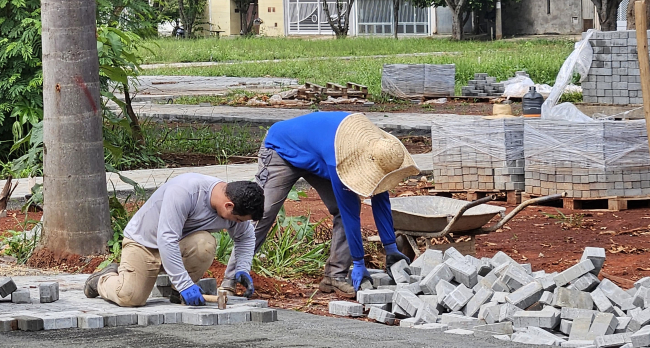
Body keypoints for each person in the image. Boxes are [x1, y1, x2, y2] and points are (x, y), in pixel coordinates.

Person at [222, 112, 418, 298]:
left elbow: (380, 198)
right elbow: (350, 211)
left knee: (341, 211)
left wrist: (391, 247)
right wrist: (358, 261)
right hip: (282, 149)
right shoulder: (341, 158)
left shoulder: (379, 150)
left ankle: (334, 276)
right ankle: (230, 281)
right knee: (261, 212)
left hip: (317, 153)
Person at [84, 174, 264, 307]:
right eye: (239, 220)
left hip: (177, 245)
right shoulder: (186, 191)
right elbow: (167, 238)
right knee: (130, 297)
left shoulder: (233, 205)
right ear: (229, 205)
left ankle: (178, 294)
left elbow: (246, 237)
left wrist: (242, 269)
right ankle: (102, 280)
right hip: (144, 244)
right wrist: (185, 283)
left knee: (205, 244)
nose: (238, 224)